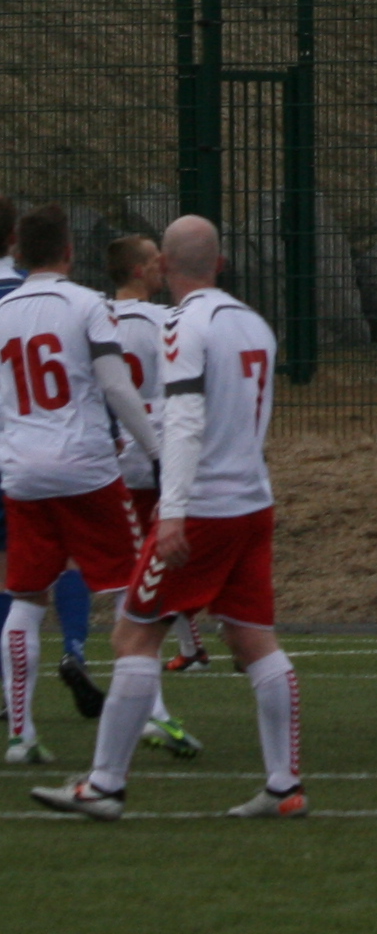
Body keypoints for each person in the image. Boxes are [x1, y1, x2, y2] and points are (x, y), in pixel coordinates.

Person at [30, 215, 281, 822]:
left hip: (167, 485)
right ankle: (284, 780)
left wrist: (171, 499)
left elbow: (172, 413)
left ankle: (101, 776)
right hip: (237, 493)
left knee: (128, 624)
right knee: (245, 636)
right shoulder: (247, 322)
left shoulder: (157, 321)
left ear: (164, 266)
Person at [1, 207, 163, 768]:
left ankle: (21, 734)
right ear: (69, 251)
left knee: (26, 596)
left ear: (20, 252)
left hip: (23, 472)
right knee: (127, 586)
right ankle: (150, 713)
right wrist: (156, 451)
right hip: (86, 467)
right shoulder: (87, 304)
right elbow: (116, 386)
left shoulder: (3, 310)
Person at [92, 239, 201, 765]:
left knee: (134, 572)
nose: (163, 263)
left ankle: (168, 670)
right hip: (158, 454)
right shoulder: (166, 320)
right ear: (139, 269)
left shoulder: (96, 318)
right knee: (152, 573)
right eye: (154, 256)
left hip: (112, 457)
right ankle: (153, 701)